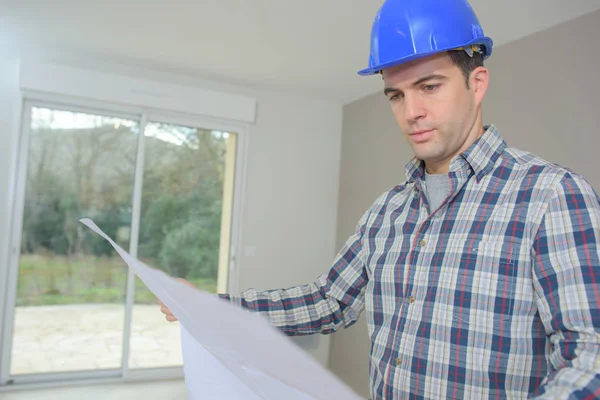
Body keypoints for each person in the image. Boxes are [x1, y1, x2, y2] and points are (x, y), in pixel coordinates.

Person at [158, 0, 600, 398]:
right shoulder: (387, 211)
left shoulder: (551, 196)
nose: (411, 113)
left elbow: (589, 357)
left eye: (429, 87)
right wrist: (207, 305)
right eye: (396, 95)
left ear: (477, 82)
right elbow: (328, 301)